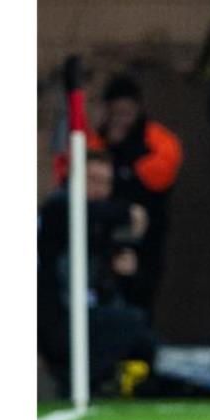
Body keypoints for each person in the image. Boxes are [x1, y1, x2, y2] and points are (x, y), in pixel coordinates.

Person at [38, 151, 155, 393]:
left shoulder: (105, 228)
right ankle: (84, 381)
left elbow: (135, 293)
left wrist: (128, 274)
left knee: (147, 340)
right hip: (58, 320)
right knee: (131, 322)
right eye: (92, 180)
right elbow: (87, 212)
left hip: (96, 316)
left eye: (106, 183)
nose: (100, 189)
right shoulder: (57, 210)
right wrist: (129, 213)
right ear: (73, 178)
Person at [86, 74, 183, 317]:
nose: (121, 119)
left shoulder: (155, 138)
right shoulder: (97, 140)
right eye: (115, 112)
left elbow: (160, 174)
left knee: (142, 294)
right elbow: (80, 174)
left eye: (126, 112)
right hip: (101, 232)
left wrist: (126, 168)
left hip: (146, 233)